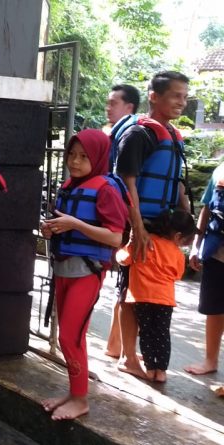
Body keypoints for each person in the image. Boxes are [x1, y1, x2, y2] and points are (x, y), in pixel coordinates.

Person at [40, 129, 129, 420]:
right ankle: (74, 393)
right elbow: (64, 225)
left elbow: (115, 238)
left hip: (87, 272)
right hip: (64, 268)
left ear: (98, 158)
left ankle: (80, 400)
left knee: (70, 336)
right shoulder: (70, 185)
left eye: (83, 157)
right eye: (71, 155)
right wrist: (52, 229)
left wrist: (75, 224)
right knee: (69, 336)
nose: (75, 162)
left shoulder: (106, 189)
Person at [112, 71, 191, 378]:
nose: (181, 102)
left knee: (152, 294)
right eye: (175, 96)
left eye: (184, 97)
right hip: (139, 225)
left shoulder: (172, 135)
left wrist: (185, 217)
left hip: (161, 227)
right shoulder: (139, 134)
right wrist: (137, 229)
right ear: (154, 97)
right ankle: (127, 357)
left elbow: (176, 182)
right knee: (129, 292)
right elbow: (127, 182)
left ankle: (136, 353)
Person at [116, 209, 196, 382]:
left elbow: (123, 259)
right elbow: (177, 275)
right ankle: (161, 372)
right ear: (177, 236)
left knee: (146, 332)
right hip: (165, 300)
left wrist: (125, 246)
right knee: (162, 333)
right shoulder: (177, 253)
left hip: (141, 298)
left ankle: (150, 369)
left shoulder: (143, 241)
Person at [103, 83, 140, 358]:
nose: (108, 107)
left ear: (129, 107)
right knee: (124, 284)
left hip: (121, 221)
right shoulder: (120, 134)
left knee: (125, 285)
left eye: (113, 103)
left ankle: (115, 344)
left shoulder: (130, 135)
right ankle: (116, 345)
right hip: (117, 220)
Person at [184, 162, 224, 376]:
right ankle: (210, 361)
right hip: (216, 252)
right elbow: (207, 209)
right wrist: (196, 246)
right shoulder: (220, 170)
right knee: (213, 309)